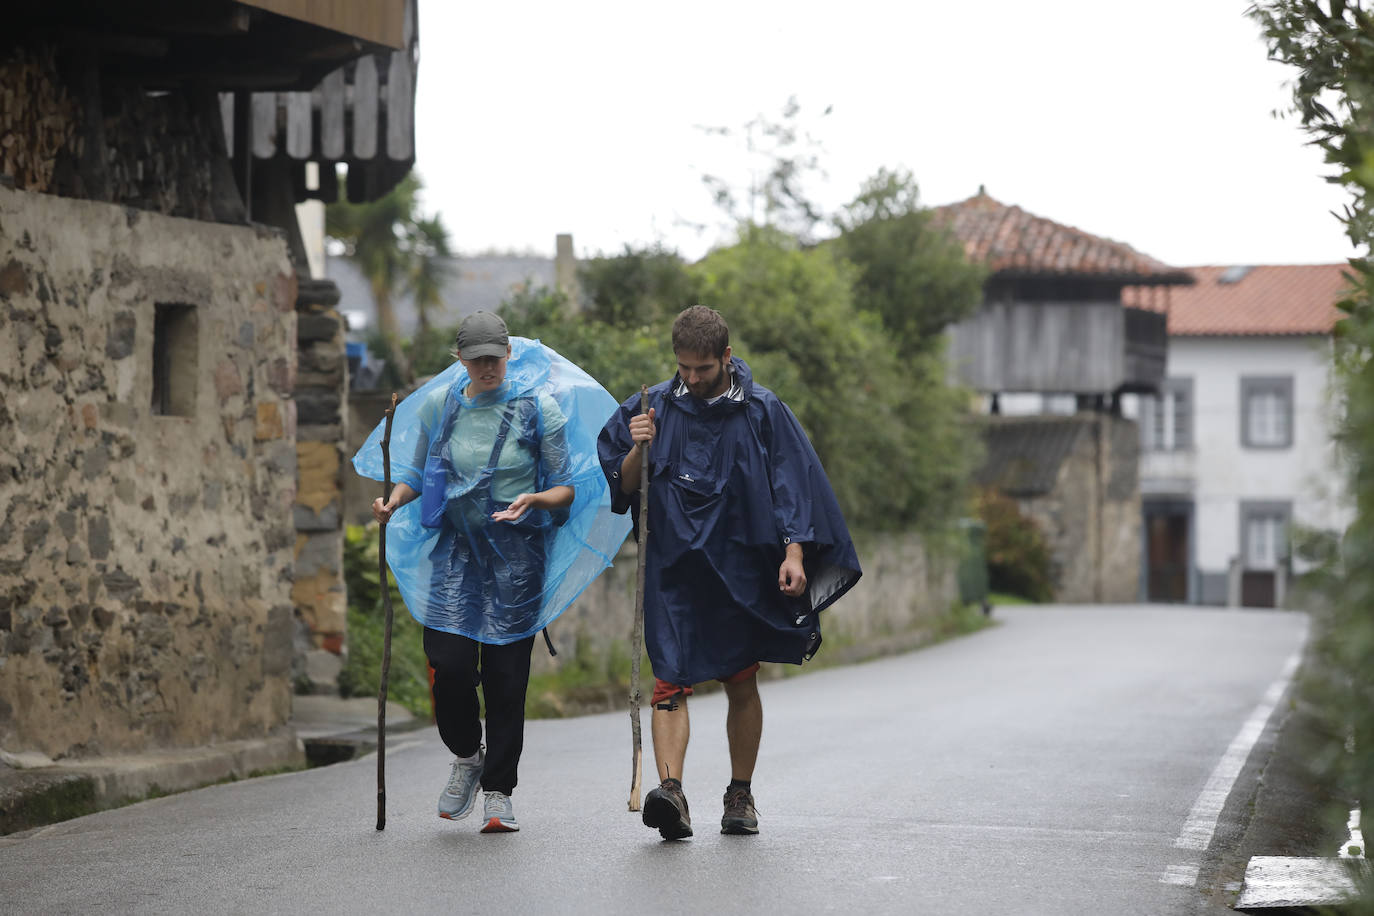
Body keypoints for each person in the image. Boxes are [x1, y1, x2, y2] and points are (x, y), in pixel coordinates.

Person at [354, 311, 630, 834]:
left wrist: (535, 499)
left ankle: (500, 791)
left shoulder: (537, 409)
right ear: (458, 359)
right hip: (455, 555)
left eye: (494, 358)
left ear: (507, 355)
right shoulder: (440, 405)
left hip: (518, 559)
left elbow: (565, 490)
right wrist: (392, 502)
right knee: (449, 665)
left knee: (507, 680)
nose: (486, 367)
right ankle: (466, 755)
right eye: (476, 358)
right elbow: (417, 473)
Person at [598, 305, 861, 840]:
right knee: (669, 678)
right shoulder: (649, 407)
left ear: (726, 356)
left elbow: (792, 485)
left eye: (703, 369)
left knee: (741, 681)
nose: (691, 380)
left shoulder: (763, 411)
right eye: (683, 369)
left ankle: (740, 792)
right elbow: (623, 489)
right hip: (672, 570)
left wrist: (794, 554)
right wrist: (637, 448)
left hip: (740, 567)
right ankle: (671, 792)